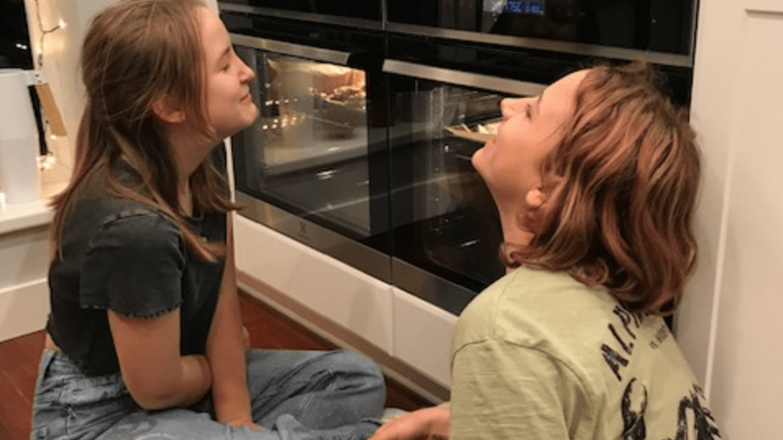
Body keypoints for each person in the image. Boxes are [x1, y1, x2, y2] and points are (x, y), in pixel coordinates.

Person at [30, 1, 386, 439]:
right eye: (224, 65)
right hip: (99, 412)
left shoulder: (202, 154)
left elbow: (221, 294)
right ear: (170, 105)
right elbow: (155, 391)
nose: (248, 72)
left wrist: (236, 415)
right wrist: (213, 367)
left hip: (178, 377)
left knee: (354, 378)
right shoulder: (133, 230)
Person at [371, 63, 723, 440]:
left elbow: (525, 357)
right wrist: (449, 418)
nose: (506, 105)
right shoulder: (612, 286)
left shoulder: (505, 329)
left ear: (549, 187)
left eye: (530, 112)